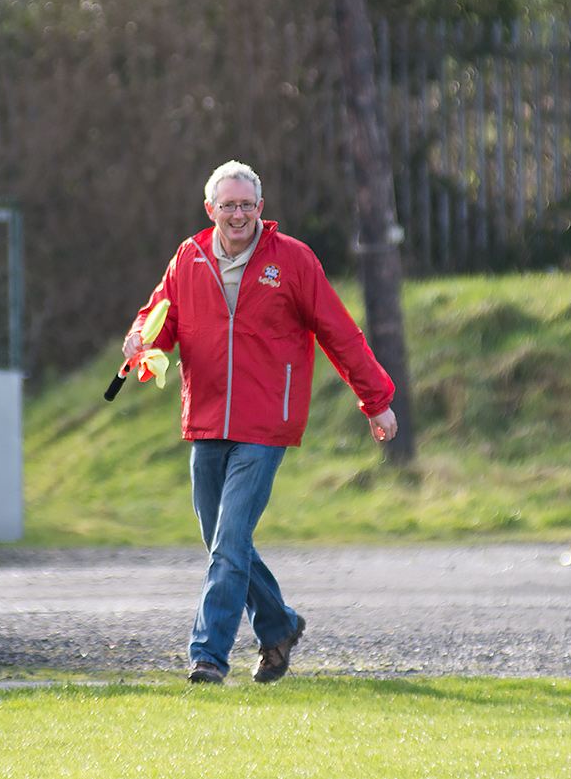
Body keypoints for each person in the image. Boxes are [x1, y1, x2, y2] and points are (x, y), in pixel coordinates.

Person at [122, 161, 397, 684]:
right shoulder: (189, 256)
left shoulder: (292, 260)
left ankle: (207, 656)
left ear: (260, 209)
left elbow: (340, 333)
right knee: (224, 540)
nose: (238, 214)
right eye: (228, 205)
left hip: (266, 422)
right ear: (211, 210)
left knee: (229, 542)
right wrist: (142, 343)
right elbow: (159, 317)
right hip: (205, 421)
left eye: (247, 204)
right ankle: (279, 625)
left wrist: (376, 399)